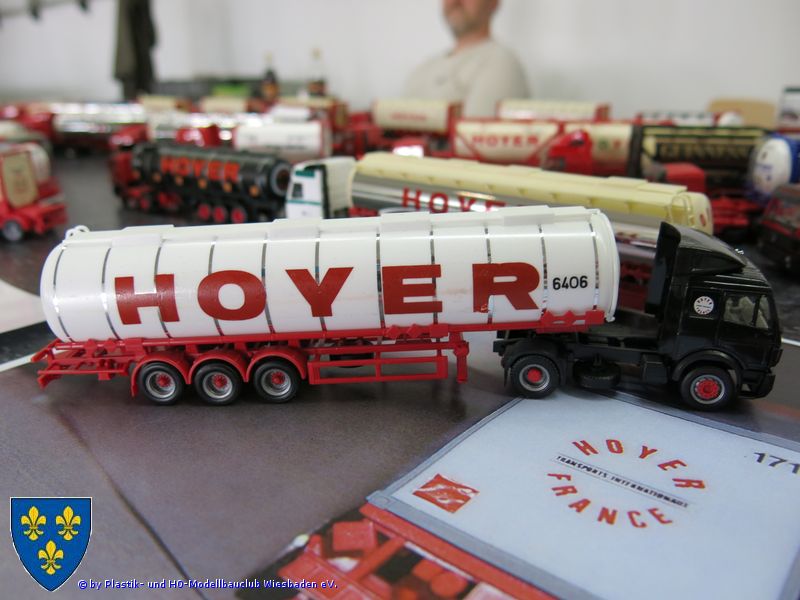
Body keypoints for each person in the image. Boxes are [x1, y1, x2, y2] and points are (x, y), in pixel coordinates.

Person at [404, 0, 529, 117]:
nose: (455, 1)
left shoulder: (501, 63)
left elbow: (475, 131)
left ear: (493, 2)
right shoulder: (423, 68)